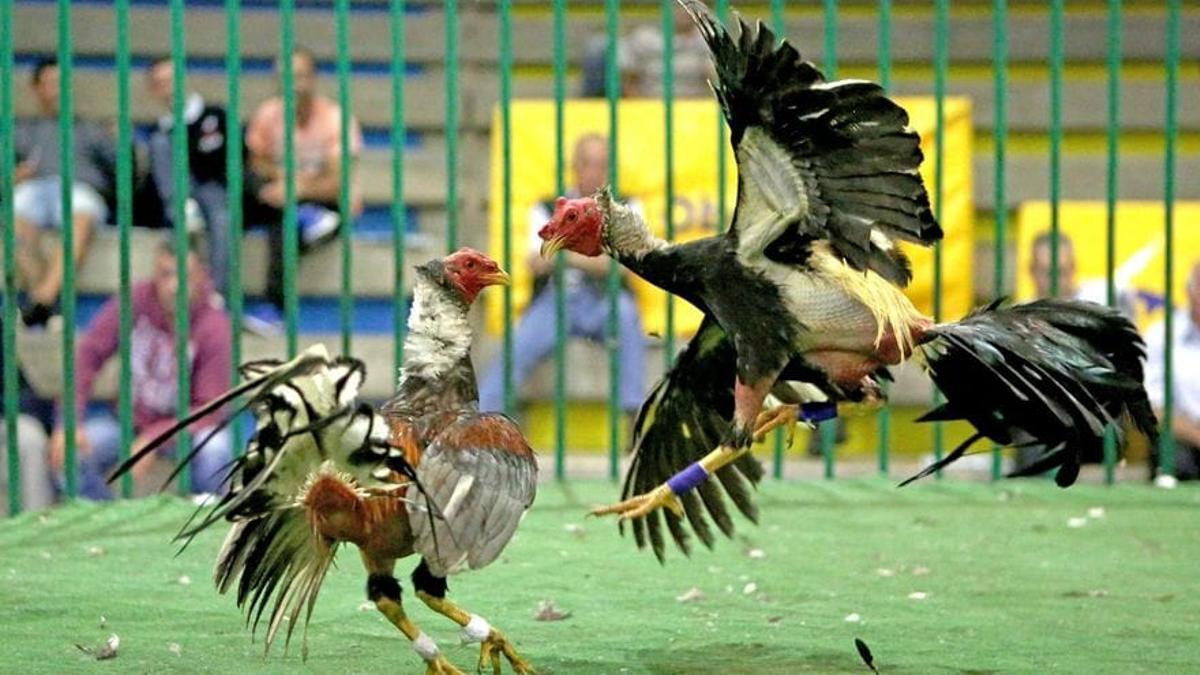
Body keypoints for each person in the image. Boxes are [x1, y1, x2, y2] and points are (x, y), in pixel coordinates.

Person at [478, 133, 647, 424]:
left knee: (628, 317)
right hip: (558, 300)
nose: (594, 172)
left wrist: (567, 253)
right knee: (519, 342)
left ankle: (634, 418)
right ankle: (482, 419)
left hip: (608, 300)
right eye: (587, 163)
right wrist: (600, 256)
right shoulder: (547, 206)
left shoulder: (627, 206)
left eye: (601, 165)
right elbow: (536, 261)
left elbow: (629, 265)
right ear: (574, 166)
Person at [48, 235, 233, 500]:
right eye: (166, 275)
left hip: (187, 432)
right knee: (68, 458)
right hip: (128, 423)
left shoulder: (214, 326)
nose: (174, 286)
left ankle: (200, 528)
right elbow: (87, 357)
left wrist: (153, 440)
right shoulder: (135, 301)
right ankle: (106, 524)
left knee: (217, 450)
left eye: (184, 275)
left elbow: (209, 409)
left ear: (203, 276)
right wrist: (68, 422)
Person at [245, 47, 363, 317]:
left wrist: (297, 188)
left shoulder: (336, 119)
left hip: (328, 200)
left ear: (312, 78)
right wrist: (284, 180)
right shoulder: (268, 114)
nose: (292, 85)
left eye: (298, 76)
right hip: (282, 196)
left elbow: (337, 181)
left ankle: (275, 309)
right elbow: (256, 162)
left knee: (285, 225)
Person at [13, 57, 116, 327]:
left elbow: (122, 171)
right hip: (34, 190)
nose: (55, 90)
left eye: (59, 84)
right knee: (13, 217)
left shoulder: (92, 129)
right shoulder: (21, 131)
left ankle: (41, 300)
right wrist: (14, 177)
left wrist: (118, 139)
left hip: (79, 190)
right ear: (35, 89)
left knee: (81, 214)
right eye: (47, 84)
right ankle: (47, 303)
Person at [144, 55, 233, 297]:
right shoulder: (159, 131)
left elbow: (223, 160)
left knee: (223, 219)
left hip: (212, 188)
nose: (168, 88)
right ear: (153, 90)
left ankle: (216, 294)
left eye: (171, 80)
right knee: (175, 228)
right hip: (176, 194)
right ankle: (180, 299)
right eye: (160, 83)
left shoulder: (215, 115)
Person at [1143, 262, 1200, 482]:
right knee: (1171, 451)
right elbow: (1151, 408)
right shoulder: (1162, 335)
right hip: (1182, 438)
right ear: (1188, 292)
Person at [1029, 232, 1137, 319]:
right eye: (1046, 273)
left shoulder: (1104, 299)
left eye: (1061, 272)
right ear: (1031, 270)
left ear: (1073, 267)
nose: (1054, 282)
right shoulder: (1021, 319)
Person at [617, 5, 714, 98]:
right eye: (678, 6)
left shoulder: (708, 38)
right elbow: (628, 82)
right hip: (648, 104)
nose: (683, 11)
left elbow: (715, 79)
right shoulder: (643, 37)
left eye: (689, 6)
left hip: (697, 106)